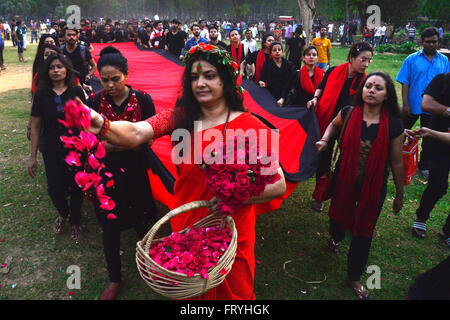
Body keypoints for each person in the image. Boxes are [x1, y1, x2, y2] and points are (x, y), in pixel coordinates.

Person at [76, 44, 286, 300]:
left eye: (209, 76)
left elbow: (278, 184)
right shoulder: (181, 117)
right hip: (187, 229)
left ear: (226, 80)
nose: (200, 84)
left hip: (232, 234)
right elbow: (137, 132)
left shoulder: (250, 126)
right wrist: (100, 123)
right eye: (194, 77)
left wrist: (235, 195)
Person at [316, 72, 404, 300]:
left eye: (378, 88)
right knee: (337, 219)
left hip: (373, 187)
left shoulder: (394, 125)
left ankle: (354, 276)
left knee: (364, 231)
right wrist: (325, 140)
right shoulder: (348, 113)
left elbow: (396, 161)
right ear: (362, 89)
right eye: (368, 86)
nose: (372, 90)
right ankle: (335, 237)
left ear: (387, 96)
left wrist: (399, 194)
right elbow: (332, 127)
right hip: (344, 181)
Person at [85, 47, 158, 300]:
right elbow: (89, 141)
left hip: (136, 170)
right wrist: (120, 143)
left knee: (144, 221)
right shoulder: (94, 102)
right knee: (110, 227)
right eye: (105, 80)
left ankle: (151, 264)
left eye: (115, 78)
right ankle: (115, 278)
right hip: (105, 175)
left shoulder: (143, 99)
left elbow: (150, 137)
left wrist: (114, 145)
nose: (110, 84)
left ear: (126, 74)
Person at [307, 42, 373, 212]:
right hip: (327, 121)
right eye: (363, 59)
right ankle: (319, 196)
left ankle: (340, 195)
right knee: (324, 158)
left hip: (348, 127)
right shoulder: (334, 70)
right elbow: (321, 87)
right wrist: (315, 99)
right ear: (351, 58)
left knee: (345, 162)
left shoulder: (365, 81)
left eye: (369, 61)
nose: (366, 64)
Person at [28, 53, 86, 240]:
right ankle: (64, 213)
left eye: (59, 67)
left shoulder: (76, 92)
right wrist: (33, 157)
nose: (55, 70)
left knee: (77, 186)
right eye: (52, 67)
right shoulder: (41, 95)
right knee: (54, 188)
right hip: (51, 148)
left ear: (66, 70)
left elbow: (86, 121)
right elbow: (36, 127)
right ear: (47, 71)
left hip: (76, 148)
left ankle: (76, 221)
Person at [395, 27, 450, 179]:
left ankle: (424, 166)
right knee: (401, 132)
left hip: (432, 108)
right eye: (428, 42)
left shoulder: (444, 61)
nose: (432, 45)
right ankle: (393, 160)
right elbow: (405, 82)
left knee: (429, 138)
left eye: (435, 42)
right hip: (412, 105)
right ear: (421, 42)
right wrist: (405, 103)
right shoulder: (411, 59)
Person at [408, 72, 450, 245]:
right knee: (438, 185)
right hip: (438, 140)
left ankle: (447, 231)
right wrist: (448, 110)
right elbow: (426, 104)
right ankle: (421, 217)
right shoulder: (442, 79)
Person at [258, 41, 295, 107]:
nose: (277, 52)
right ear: (271, 53)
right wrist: (261, 82)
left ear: (282, 51)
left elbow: (290, 83)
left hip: (286, 95)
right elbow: (262, 78)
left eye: (279, 50)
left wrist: (283, 98)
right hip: (270, 95)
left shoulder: (288, 64)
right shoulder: (267, 64)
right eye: (274, 50)